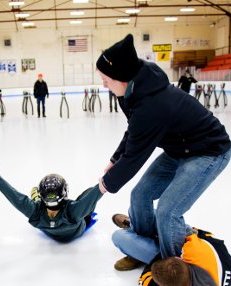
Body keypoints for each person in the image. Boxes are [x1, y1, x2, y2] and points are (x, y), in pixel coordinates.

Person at [96, 34, 231, 263]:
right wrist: (114, 159)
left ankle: (172, 269)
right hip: (179, 148)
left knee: (168, 212)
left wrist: (105, 185)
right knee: (140, 195)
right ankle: (142, 247)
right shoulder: (131, 92)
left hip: (208, 151)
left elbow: (136, 155)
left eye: (106, 79)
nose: (103, 84)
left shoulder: (152, 104)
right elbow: (133, 131)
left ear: (121, 78)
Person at [131, 228, 231, 286]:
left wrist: (160, 255)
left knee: (118, 237)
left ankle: (138, 225)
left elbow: (146, 279)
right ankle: (141, 225)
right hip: (208, 244)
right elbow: (194, 232)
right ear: (180, 259)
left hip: (209, 247)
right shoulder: (194, 250)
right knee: (167, 223)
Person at [0, 173, 102, 242]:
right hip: (75, 231)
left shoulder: (35, 213)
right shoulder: (73, 212)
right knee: (88, 193)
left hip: (49, 230)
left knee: (33, 206)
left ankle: (36, 199)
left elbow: (14, 196)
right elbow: (94, 194)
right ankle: (36, 199)